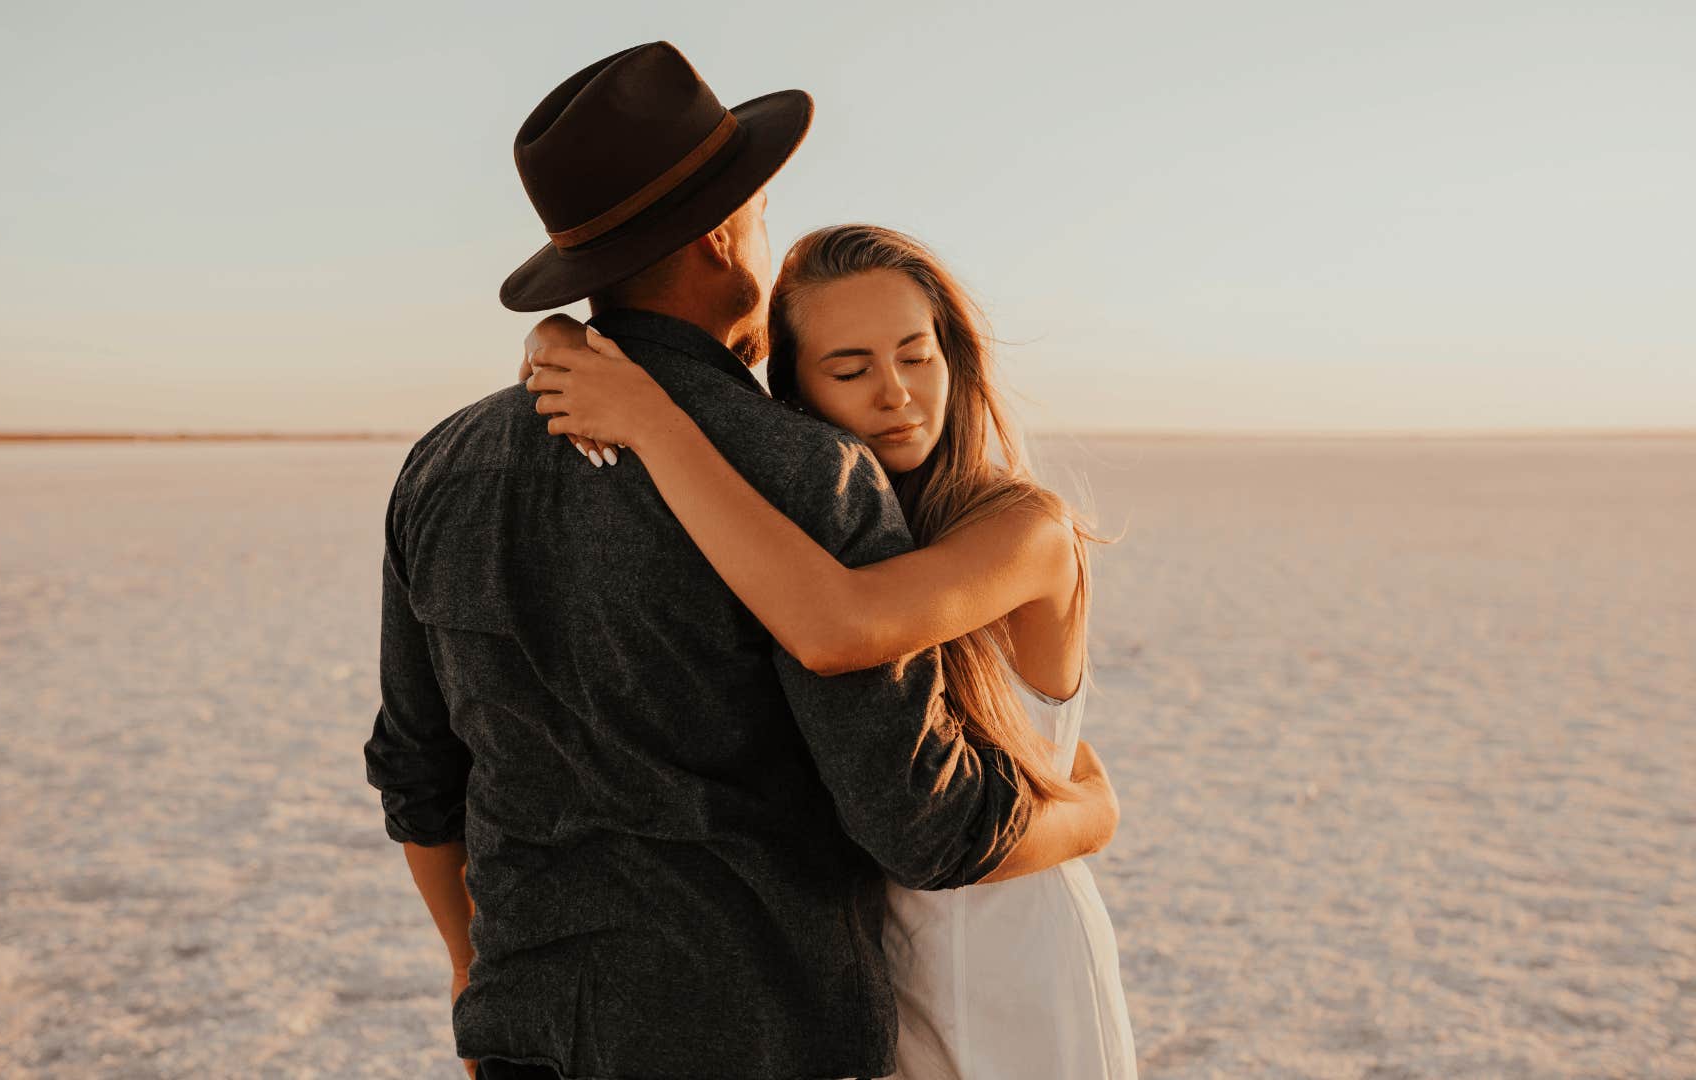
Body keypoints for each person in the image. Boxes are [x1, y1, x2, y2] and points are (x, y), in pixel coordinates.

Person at [362, 41, 1120, 1080]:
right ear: (725, 235)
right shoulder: (810, 473)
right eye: (761, 213)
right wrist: (1091, 810)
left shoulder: (441, 467)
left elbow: (417, 771)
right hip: (760, 1037)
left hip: (523, 1032)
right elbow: (919, 822)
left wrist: (471, 969)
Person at [520, 223, 1138, 1078]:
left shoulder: (1022, 526)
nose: (897, 394)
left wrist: (652, 423)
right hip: (867, 972)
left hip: (1015, 957)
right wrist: (558, 338)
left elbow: (837, 629)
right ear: (798, 393)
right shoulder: (811, 525)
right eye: (851, 370)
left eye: (917, 356)